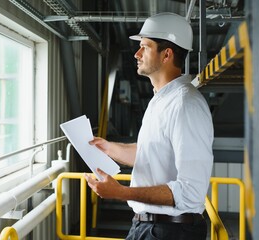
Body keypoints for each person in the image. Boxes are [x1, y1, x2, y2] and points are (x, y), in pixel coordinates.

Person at [85, 12, 214, 240]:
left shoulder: (185, 104)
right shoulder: (162, 100)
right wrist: (108, 148)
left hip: (171, 232)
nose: (136, 53)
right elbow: (150, 154)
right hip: (150, 227)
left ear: (166, 55)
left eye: (145, 47)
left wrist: (121, 192)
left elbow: (191, 192)